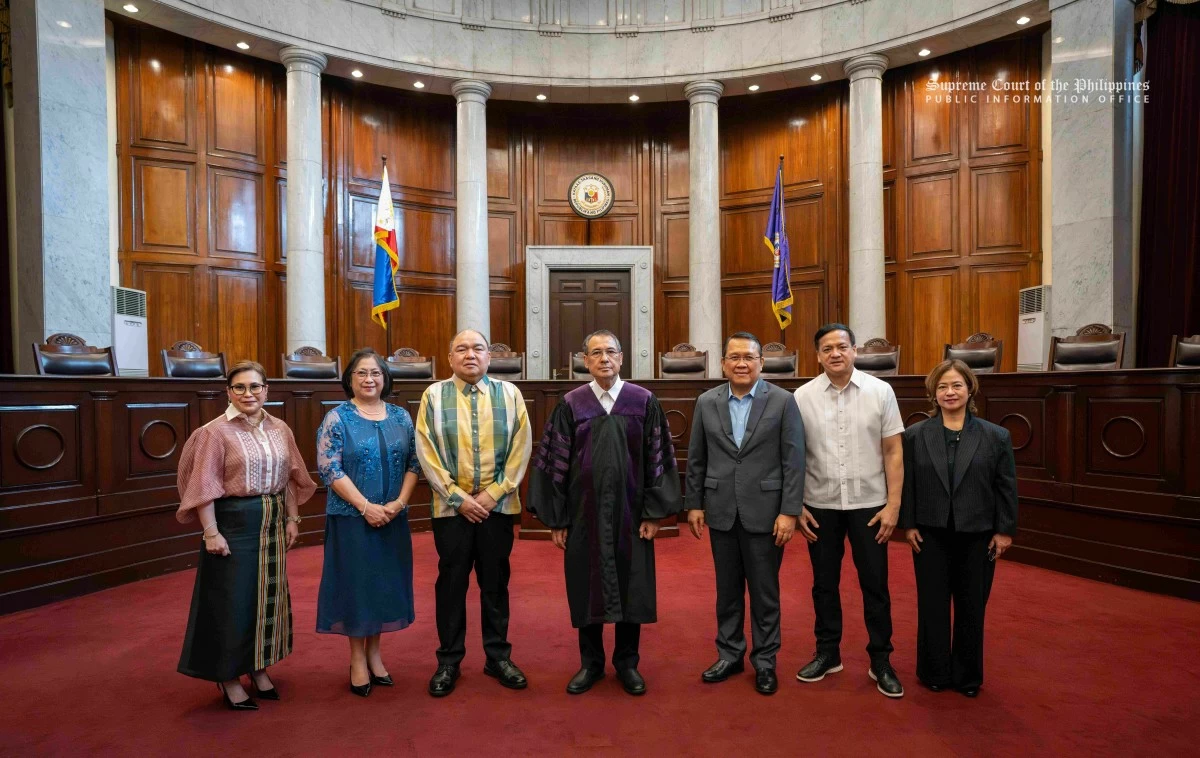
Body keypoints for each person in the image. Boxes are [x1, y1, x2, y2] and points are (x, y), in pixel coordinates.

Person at [528, 329, 682, 696]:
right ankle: (591, 664)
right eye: (596, 353)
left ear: (622, 357)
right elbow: (555, 463)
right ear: (585, 361)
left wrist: (653, 513)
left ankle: (628, 664)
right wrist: (559, 518)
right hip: (585, 514)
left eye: (610, 352)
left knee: (633, 586)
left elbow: (658, 458)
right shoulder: (572, 404)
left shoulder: (643, 401)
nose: (604, 359)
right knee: (586, 586)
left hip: (632, 513)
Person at [176, 360, 316, 710]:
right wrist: (211, 533)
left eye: (255, 386)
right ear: (228, 392)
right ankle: (227, 677)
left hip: (272, 523)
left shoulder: (279, 428)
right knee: (231, 602)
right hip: (233, 524)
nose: (248, 393)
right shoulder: (214, 432)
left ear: (266, 390)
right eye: (240, 387)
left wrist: (293, 517)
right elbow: (203, 487)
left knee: (266, 598)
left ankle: (258, 667)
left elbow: (290, 476)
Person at [685, 332, 806, 695]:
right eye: (734, 357)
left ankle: (765, 661)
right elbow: (697, 458)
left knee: (765, 592)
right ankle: (730, 653)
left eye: (749, 357)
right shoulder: (706, 401)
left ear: (761, 363)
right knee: (727, 591)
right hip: (721, 510)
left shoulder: (784, 401)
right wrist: (694, 503)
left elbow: (794, 461)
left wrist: (789, 511)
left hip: (767, 514)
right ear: (723, 363)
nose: (741, 363)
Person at [414, 329, 533, 698]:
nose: (471, 355)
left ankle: (497, 656)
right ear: (450, 358)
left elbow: (522, 446)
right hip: (451, 511)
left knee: (495, 582)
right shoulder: (433, 395)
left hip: (497, 508)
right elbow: (425, 451)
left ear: (489, 356)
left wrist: (493, 494)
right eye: (461, 349)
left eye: (478, 348)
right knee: (452, 584)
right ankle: (449, 660)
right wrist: (458, 499)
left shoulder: (510, 395)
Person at [792, 323, 906, 698]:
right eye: (827, 349)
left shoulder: (880, 391)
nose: (835, 354)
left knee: (875, 584)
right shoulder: (802, 396)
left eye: (842, 347)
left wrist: (893, 505)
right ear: (818, 355)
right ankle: (828, 653)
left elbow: (893, 451)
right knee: (823, 584)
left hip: (870, 506)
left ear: (855, 350)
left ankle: (881, 660)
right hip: (819, 506)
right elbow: (793, 457)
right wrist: (797, 506)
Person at [900, 359, 1018, 698]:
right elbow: (907, 485)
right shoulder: (915, 436)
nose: (949, 392)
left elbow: (1006, 486)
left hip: (978, 534)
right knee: (932, 605)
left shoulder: (996, 436)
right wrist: (908, 525)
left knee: (971, 607)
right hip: (929, 533)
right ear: (933, 395)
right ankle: (934, 671)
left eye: (956, 386)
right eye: (942, 387)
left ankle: (967, 676)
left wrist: (1004, 530)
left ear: (970, 390)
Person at [315, 349, 421, 698]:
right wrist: (365, 507)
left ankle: (375, 654)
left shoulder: (402, 417)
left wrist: (398, 503)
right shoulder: (337, 418)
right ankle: (356, 659)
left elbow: (414, 464)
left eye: (375, 373)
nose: (369, 379)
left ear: (385, 378)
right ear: (350, 379)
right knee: (357, 587)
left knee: (382, 586)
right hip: (352, 519)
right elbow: (330, 470)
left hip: (392, 516)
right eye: (361, 373)